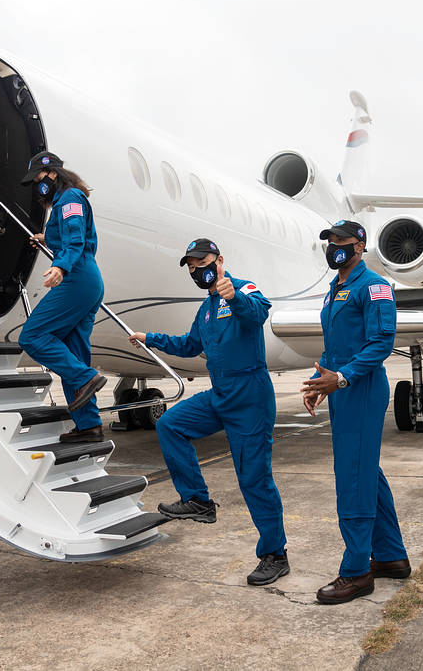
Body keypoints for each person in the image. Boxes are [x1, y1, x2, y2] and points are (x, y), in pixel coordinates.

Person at [128, 238, 289, 586]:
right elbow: (189, 345)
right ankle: (198, 501)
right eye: (190, 265)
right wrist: (148, 337)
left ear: (219, 261)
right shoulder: (205, 310)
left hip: (250, 398)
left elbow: (259, 313)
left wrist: (236, 297)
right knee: (171, 424)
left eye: (202, 262)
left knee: (254, 480)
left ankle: (275, 555)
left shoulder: (241, 288)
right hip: (221, 395)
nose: (195, 269)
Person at [301, 219, 410, 605]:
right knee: (366, 472)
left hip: (362, 390)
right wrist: (319, 382)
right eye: (330, 242)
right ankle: (391, 556)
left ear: (360, 246)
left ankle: (357, 571)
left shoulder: (374, 285)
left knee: (353, 476)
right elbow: (334, 347)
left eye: (342, 241)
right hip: (342, 388)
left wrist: (342, 379)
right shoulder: (336, 289)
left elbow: (381, 342)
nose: (334, 247)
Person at [18, 151, 107, 443]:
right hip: (87, 280)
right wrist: (46, 238)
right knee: (74, 353)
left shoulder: (69, 199)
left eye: (39, 179)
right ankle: (89, 427)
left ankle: (85, 378)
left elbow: (75, 239)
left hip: (77, 277)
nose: (37, 185)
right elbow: (69, 234)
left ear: (52, 174)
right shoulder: (65, 202)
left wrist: (60, 266)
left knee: (32, 336)